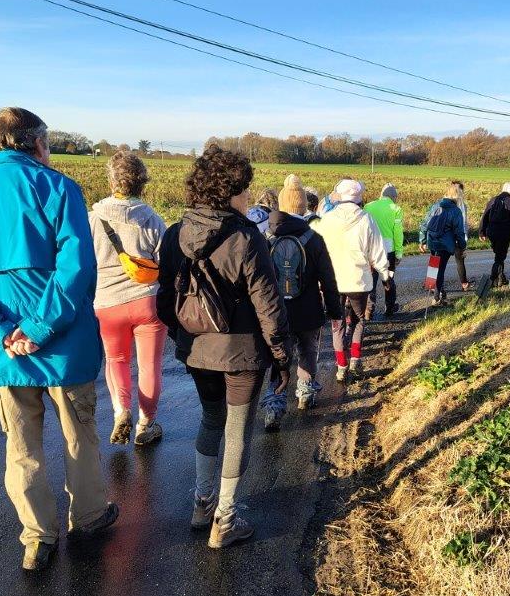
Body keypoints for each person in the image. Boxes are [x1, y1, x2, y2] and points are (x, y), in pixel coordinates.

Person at [0, 107, 118, 572]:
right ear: (35, 143)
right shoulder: (58, 188)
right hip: (65, 346)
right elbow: (77, 268)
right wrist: (39, 326)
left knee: (21, 447)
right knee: (79, 434)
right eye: (47, 144)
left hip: (6, 352)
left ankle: (37, 537)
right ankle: (89, 516)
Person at [155, 145, 290, 549]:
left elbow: (164, 300)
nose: (248, 196)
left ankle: (202, 503)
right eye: (244, 189)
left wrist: (184, 337)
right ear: (229, 192)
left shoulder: (174, 234)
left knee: (210, 419)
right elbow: (269, 306)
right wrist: (282, 356)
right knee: (237, 431)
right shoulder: (248, 238)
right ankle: (226, 519)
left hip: (197, 350)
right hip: (243, 353)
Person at [89, 151, 167, 446]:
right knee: (150, 365)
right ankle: (146, 424)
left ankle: (121, 410)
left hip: (107, 302)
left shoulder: (93, 219)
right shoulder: (153, 220)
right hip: (147, 301)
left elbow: (84, 262)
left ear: (112, 181)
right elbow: (164, 263)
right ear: (142, 182)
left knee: (116, 359)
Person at [260, 176, 341, 428]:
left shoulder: (264, 238)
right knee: (307, 351)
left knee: (279, 356)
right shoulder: (313, 238)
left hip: (275, 312)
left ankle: (275, 405)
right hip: (308, 310)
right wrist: (335, 311)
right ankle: (305, 393)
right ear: (304, 206)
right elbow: (328, 278)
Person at [313, 178, 391, 381]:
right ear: (359, 197)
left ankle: (341, 366)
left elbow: (317, 249)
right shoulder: (367, 219)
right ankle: (355, 359)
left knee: (337, 323)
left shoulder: (327, 219)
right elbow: (377, 251)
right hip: (359, 281)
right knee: (358, 321)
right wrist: (385, 275)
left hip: (333, 281)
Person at [419, 185, 467, 305]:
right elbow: (459, 232)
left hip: (432, 241)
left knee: (434, 265)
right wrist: (462, 246)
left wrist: (422, 241)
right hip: (445, 243)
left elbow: (424, 224)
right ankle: (437, 297)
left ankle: (435, 289)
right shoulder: (456, 211)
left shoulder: (436, 206)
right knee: (440, 269)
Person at [363, 183, 404, 317]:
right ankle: (390, 308)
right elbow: (398, 233)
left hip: (370, 250)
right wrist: (399, 253)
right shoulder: (396, 209)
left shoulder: (368, 206)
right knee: (388, 278)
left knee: (370, 280)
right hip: (388, 251)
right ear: (394, 197)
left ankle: (368, 310)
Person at [479, 182, 510, 287]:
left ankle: (501, 278)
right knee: (499, 257)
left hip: (491, 231)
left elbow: (485, 216)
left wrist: (482, 231)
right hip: (503, 232)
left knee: (499, 255)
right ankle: (492, 280)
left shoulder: (493, 200)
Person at [451, 180, 473, 291]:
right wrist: (464, 240)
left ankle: (432, 284)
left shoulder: (441, 203)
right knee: (459, 260)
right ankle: (464, 283)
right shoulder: (461, 205)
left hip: (442, 237)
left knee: (437, 261)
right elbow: (463, 223)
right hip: (456, 237)